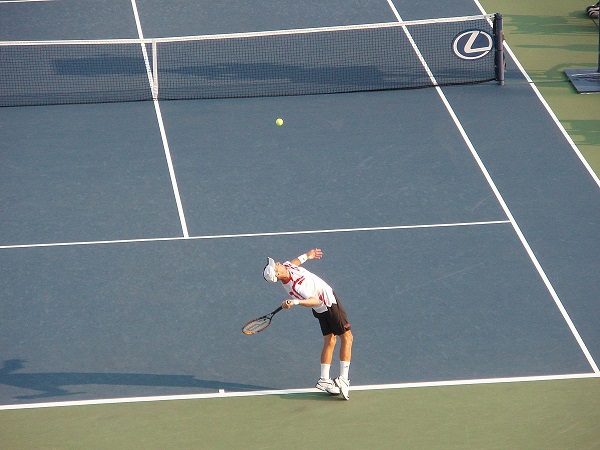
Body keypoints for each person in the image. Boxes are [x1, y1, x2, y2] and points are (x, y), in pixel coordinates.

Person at [263, 248, 353, 400]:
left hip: (321, 308)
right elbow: (314, 300)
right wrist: (295, 301)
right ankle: (344, 378)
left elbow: (294, 263)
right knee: (348, 338)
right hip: (328, 304)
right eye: (275, 266)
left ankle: (324, 380)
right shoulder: (295, 286)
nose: (277, 263)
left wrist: (307, 256)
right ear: (277, 275)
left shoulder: (286, 267)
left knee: (330, 341)